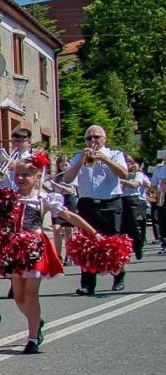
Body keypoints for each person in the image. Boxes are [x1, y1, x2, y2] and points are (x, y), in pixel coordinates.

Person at [6, 155, 97, 354]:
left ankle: (32, 337)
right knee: (18, 297)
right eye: (17, 174)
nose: (20, 178)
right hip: (15, 249)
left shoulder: (43, 198)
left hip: (34, 248)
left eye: (25, 175)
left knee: (30, 295)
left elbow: (69, 215)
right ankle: (36, 320)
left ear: (37, 176)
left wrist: (93, 232)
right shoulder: (9, 196)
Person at [60, 125, 130, 294]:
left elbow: (124, 174)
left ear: (104, 139)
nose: (93, 141)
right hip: (87, 203)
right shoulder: (79, 156)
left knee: (112, 242)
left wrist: (105, 159)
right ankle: (88, 284)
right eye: (89, 138)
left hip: (110, 202)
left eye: (96, 137)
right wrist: (81, 161)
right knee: (86, 242)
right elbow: (67, 179)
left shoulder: (115, 154)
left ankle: (118, 274)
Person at [121, 156, 150, 261]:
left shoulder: (138, 174)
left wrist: (122, 181)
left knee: (134, 226)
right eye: (126, 162)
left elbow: (135, 184)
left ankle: (138, 246)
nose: (128, 164)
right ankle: (123, 252)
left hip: (133, 200)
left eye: (130, 162)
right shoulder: (116, 172)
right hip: (119, 200)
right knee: (121, 228)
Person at [150, 151, 166, 255]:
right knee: (163, 221)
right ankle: (165, 244)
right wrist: (159, 194)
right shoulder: (159, 170)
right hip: (163, 197)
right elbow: (153, 185)